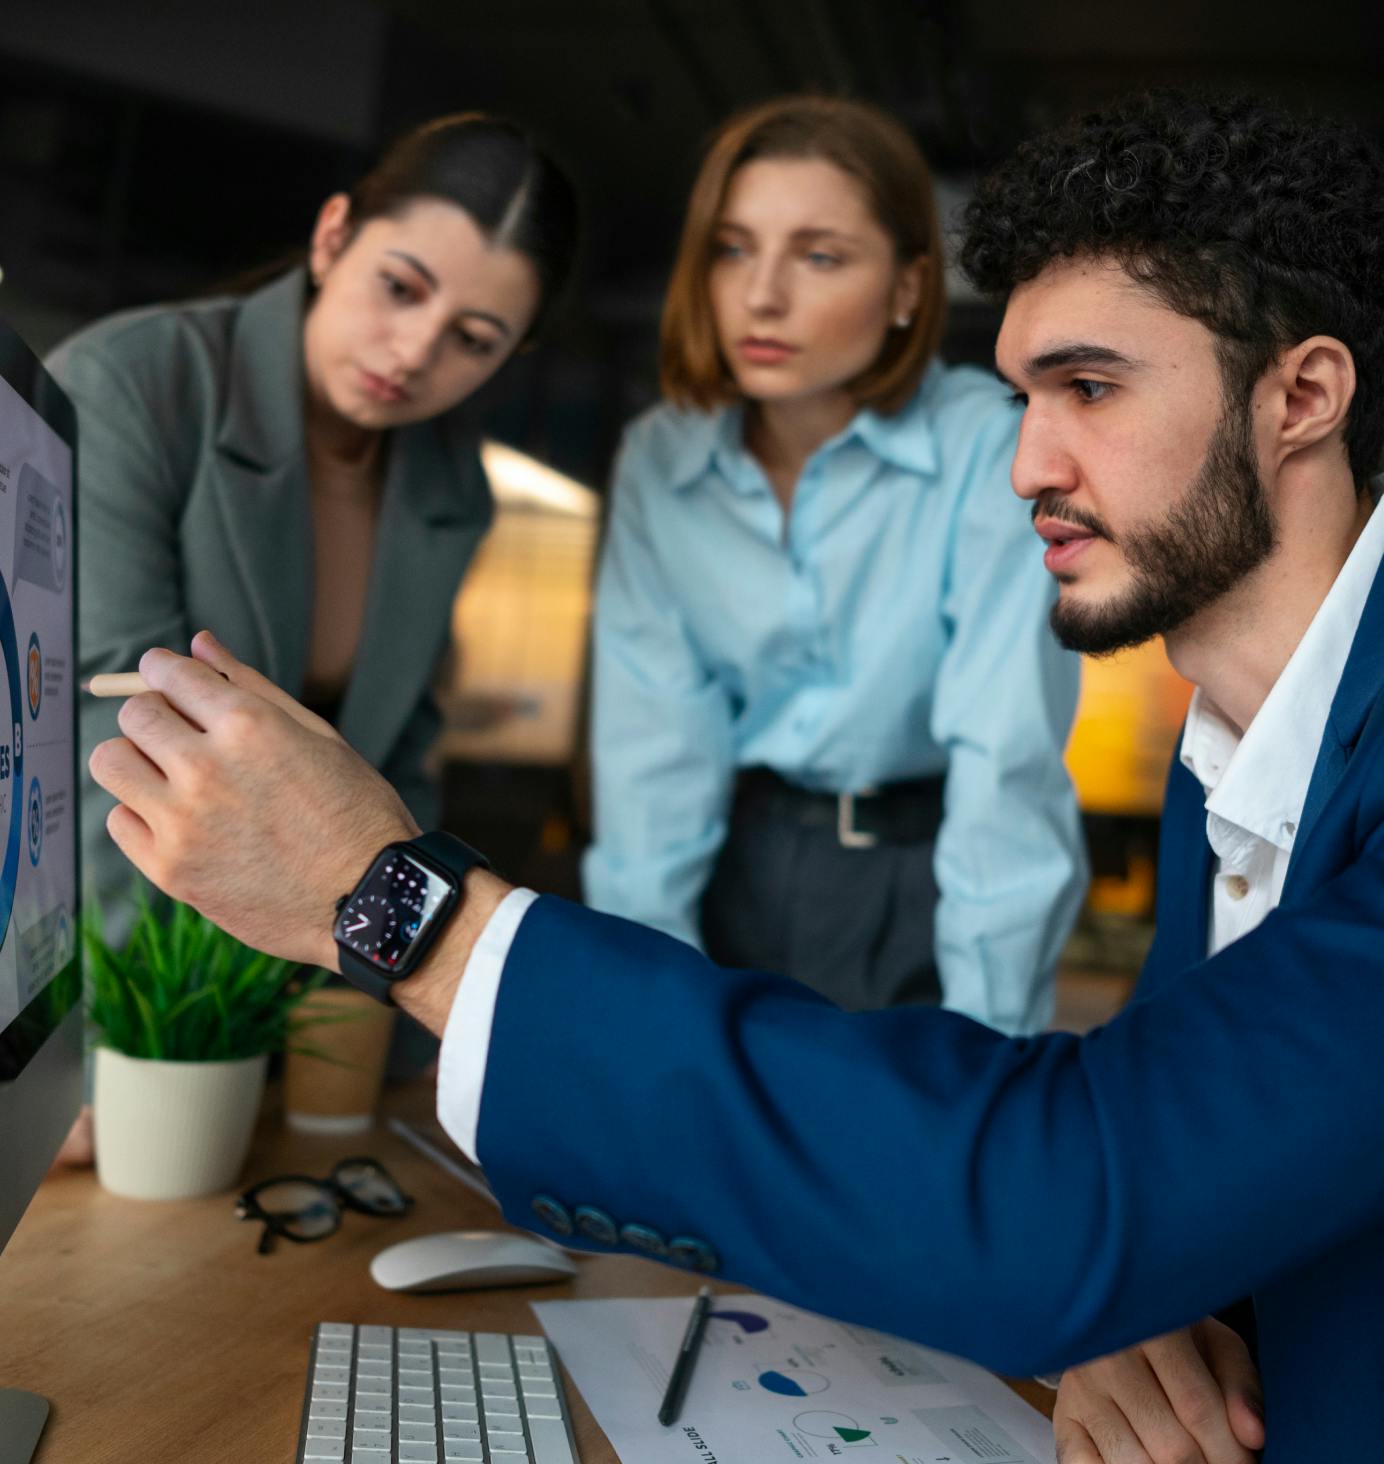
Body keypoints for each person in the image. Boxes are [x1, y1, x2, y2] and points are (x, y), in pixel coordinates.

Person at [88, 91, 1384, 1464]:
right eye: (1022, 397)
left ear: (1303, 396)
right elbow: (1164, 1169)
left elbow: (1060, 1169)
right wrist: (1135, 1282)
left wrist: (398, 905)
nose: (1021, 466)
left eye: (1090, 389)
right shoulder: (1232, 752)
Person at [585, 96, 1085, 1030]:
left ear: (906, 289)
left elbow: (1005, 765)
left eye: (820, 256)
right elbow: (653, 761)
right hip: (735, 861)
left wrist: (989, 1045)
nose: (762, 295)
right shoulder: (663, 458)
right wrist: (641, 1018)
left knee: (911, 1153)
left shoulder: (990, 450)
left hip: (927, 877)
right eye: (734, 249)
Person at [51, 110, 578, 930]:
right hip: (121, 962)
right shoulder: (131, 388)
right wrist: (157, 1046)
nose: (412, 352)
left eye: (472, 340)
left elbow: (401, 776)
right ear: (333, 238)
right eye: (399, 288)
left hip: (310, 971)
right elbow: (105, 752)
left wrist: (391, 1001)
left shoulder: (453, 488)